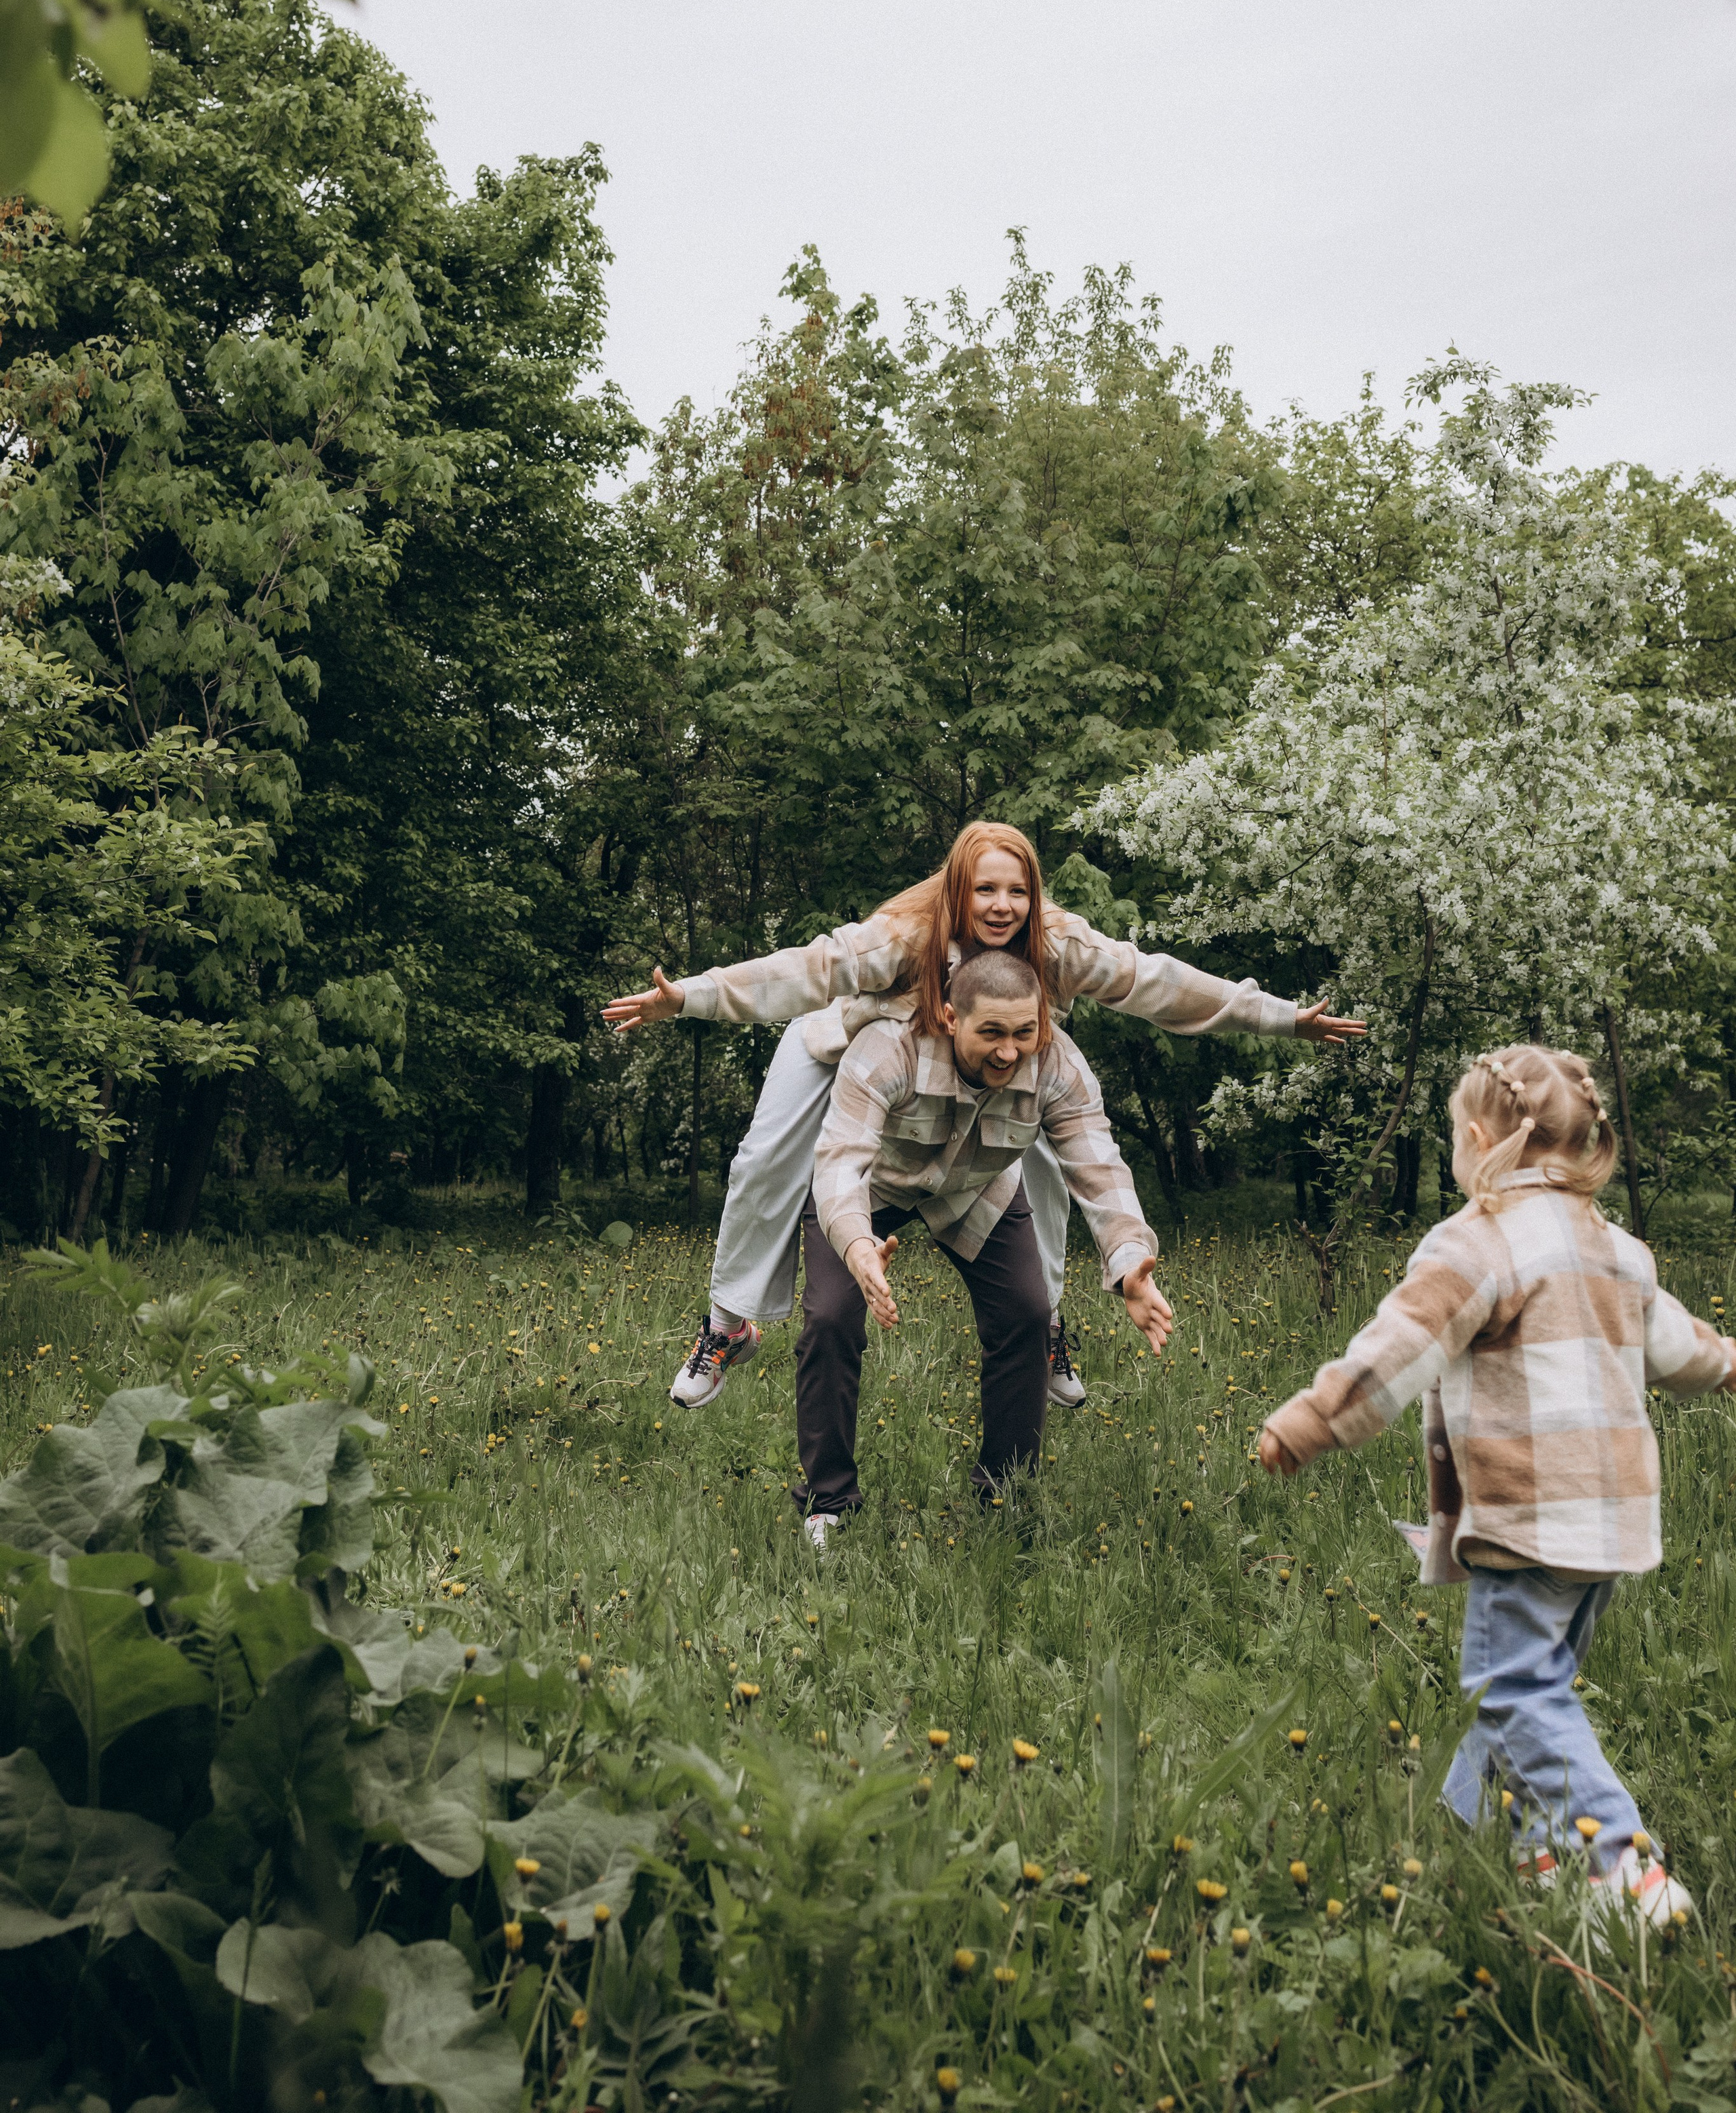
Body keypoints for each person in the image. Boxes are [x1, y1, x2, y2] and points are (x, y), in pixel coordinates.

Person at [601, 819, 1362, 1411]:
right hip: (852, 1050)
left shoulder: (1058, 946)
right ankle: (727, 1326)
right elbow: (809, 969)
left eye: (1017, 891)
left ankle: (1047, 1330)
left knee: (1047, 1162)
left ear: (1035, 896)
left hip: (993, 1062)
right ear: (958, 891)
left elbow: (1159, 984)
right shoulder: (907, 936)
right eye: (985, 891)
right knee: (765, 1158)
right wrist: (690, 996)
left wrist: (1280, 1018)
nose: (1002, 906)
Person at [1259, 1044, 1735, 1929]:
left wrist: (1313, 1422)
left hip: (1529, 1517)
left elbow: (1396, 1351)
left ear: (1480, 1137)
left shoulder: (1477, 1242)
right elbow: (1682, 1351)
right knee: (1523, 1691)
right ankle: (1488, 1849)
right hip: (1615, 1524)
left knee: (1514, 1692)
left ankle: (1623, 1870)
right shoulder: (1619, 1250)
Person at [795, 946, 1173, 1545]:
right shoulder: (886, 1049)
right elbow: (842, 1163)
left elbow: (1099, 1166)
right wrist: (858, 1247)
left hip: (977, 1191)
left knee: (1028, 1312)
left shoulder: (1057, 1066)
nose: (1009, 1050)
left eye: (1024, 1032)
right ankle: (828, 1503)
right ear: (950, 1018)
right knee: (830, 1316)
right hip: (872, 1192)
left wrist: (1129, 1262)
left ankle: (1005, 1494)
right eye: (991, 1032)